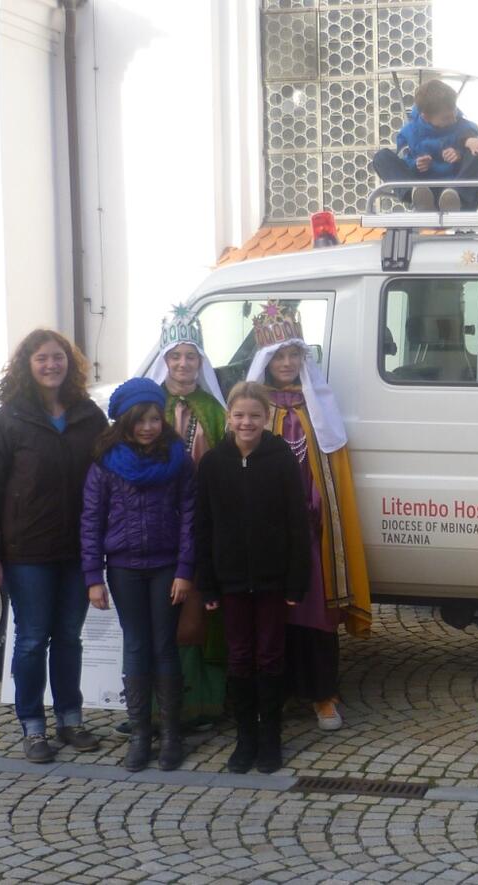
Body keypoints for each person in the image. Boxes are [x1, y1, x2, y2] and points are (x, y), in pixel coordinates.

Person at [0, 329, 108, 762]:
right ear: (27, 366)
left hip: (78, 550)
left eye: (58, 357)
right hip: (26, 551)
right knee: (31, 639)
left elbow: (111, 474)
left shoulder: (89, 416)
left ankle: (70, 718)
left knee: (69, 637)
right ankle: (32, 726)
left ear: (71, 363)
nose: (51, 365)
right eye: (42, 358)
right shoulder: (8, 419)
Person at [246, 302, 372, 731]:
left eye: (293, 355)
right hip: (267, 532)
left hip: (311, 531)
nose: (286, 363)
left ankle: (322, 693)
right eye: (278, 356)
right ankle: (275, 694)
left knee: (315, 611)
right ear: (266, 361)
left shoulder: (316, 406)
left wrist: (315, 509)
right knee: (270, 611)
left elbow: (330, 467)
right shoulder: (253, 410)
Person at [195, 382, 313, 774]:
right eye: (239, 415)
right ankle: (245, 737)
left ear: (266, 417)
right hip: (230, 580)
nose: (247, 422)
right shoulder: (213, 463)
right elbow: (203, 526)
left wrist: (296, 580)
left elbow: (297, 524)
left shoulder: (281, 460)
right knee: (240, 656)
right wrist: (207, 582)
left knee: (270, 655)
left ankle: (270, 736)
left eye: (255, 416)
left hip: (272, 579)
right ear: (229, 417)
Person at [81, 378, 196, 772]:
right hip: (124, 567)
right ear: (125, 421)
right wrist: (93, 576)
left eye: (154, 419)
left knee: (164, 646)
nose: (148, 427)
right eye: (140, 420)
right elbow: (91, 520)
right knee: (135, 644)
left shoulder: (178, 459)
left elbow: (190, 517)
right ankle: (140, 734)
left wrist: (185, 569)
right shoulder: (105, 463)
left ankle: (171, 734)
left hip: (166, 567)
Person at [145, 306, 229, 731]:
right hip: (157, 523)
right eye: (175, 356)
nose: (183, 364)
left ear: (201, 361)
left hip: (201, 522)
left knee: (201, 611)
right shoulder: (149, 406)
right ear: (165, 360)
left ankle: (204, 703)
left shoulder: (213, 410)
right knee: (160, 611)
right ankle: (157, 707)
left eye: (190, 356)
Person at [370, 78, 478, 211]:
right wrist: (416, 164)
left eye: (454, 112)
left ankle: (456, 200)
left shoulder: (466, 127)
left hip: (454, 190)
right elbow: (402, 162)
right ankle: (416, 197)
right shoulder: (409, 132)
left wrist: (460, 153)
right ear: (425, 117)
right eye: (446, 118)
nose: (453, 120)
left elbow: (475, 159)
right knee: (381, 157)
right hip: (424, 189)